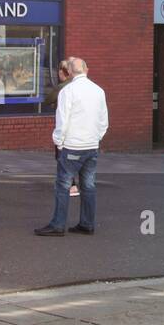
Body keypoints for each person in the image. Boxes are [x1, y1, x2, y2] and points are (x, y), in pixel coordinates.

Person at [36, 57, 108, 237]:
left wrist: (58, 142)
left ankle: (58, 225)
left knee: (63, 186)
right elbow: (103, 121)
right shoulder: (99, 91)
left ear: (70, 72)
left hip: (72, 146)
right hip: (91, 146)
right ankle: (87, 223)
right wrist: (96, 138)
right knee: (88, 186)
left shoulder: (68, 91)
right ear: (87, 70)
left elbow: (62, 120)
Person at [45, 60, 81, 197]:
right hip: (80, 128)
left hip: (66, 128)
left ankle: (70, 185)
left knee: (62, 156)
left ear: (62, 72)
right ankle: (78, 184)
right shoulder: (79, 86)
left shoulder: (62, 87)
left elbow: (48, 100)